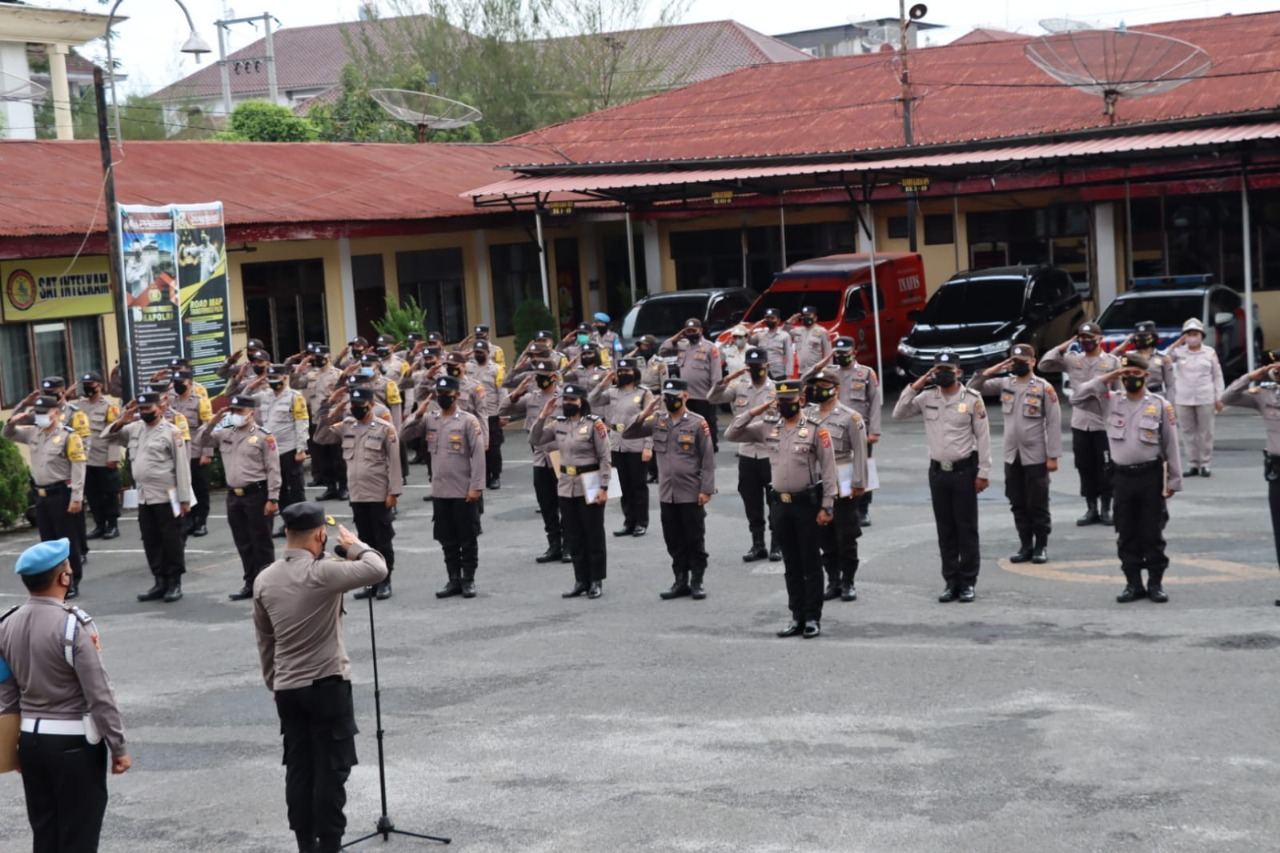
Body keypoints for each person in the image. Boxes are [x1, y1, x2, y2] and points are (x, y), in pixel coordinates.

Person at [253, 504, 388, 853]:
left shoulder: (264, 579)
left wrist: (273, 682)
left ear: (286, 534)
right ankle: (329, 843)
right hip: (327, 685)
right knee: (331, 770)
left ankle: (304, 842)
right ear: (319, 534)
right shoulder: (323, 572)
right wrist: (355, 545)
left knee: (299, 768)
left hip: (287, 689)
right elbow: (377, 568)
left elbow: (265, 641)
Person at [0, 539, 131, 853]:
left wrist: (11, 747)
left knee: (45, 832)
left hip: (30, 741)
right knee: (79, 836)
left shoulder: (7, 624)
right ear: (63, 578)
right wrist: (119, 746)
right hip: (73, 744)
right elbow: (99, 694)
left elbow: (6, 694)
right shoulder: (73, 627)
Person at [726, 380, 836, 638]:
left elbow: (830, 471)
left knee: (810, 563)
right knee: (791, 565)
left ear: (799, 400)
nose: (783, 405)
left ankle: (812, 617)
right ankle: (796, 615)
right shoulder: (767, 428)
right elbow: (731, 434)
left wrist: (827, 506)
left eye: (788, 400)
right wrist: (755, 410)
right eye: (780, 401)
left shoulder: (815, 430)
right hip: (780, 506)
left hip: (806, 506)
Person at [1074, 354, 1182, 603]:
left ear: (1146, 375)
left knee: (1151, 532)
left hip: (1150, 476)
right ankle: (1133, 584)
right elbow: (1078, 398)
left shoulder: (1160, 404)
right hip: (1121, 477)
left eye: (1135, 374)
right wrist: (1105, 378)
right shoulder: (1110, 401)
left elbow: (1171, 445)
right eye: (1126, 374)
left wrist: (1174, 480)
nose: (1130, 379)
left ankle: (1155, 584)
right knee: (1126, 532)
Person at [893, 351, 993, 603]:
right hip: (938, 472)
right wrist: (918, 382)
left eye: (948, 369)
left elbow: (983, 437)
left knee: (966, 529)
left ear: (958, 372)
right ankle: (951, 582)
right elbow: (898, 413)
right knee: (945, 530)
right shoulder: (928, 397)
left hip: (964, 471)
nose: (943, 373)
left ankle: (968, 582)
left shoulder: (972, 399)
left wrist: (984, 471)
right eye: (938, 369)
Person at [623, 378, 715, 599]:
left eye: (675, 396)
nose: (670, 400)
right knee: (673, 539)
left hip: (691, 491)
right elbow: (628, 433)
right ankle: (680, 580)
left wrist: (706, 489)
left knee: (694, 538)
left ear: (685, 397)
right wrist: (644, 413)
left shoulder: (697, 422)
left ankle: (697, 581)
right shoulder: (657, 420)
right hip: (667, 493)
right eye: (667, 397)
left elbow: (708, 458)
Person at [969, 345, 1062, 564]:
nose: (1018, 364)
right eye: (1014, 360)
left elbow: (1054, 422)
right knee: (1017, 501)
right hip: (1012, 455)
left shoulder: (1043, 387)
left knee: (1037, 502)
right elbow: (972, 388)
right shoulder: (1005, 383)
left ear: (1033, 361)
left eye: (1023, 360)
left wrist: (1053, 455)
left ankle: (1041, 546)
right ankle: (1025, 545)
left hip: (1036, 455)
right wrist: (994, 369)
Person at [101, 392, 191, 603]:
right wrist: (122, 420)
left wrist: (184, 499)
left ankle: (174, 582)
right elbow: (107, 436)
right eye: (141, 410)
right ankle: (159, 581)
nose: (144, 413)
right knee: (151, 540)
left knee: (172, 540)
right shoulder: (134, 428)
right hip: (144, 496)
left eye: (148, 409)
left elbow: (182, 467)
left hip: (167, 495)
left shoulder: (172, 431)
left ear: (159, 408)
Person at [313, 387, 401, 600]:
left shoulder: (384, 428)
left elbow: (395, 463)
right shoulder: (347, 425)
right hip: (357, 494)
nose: (356, 409)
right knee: (363, 541)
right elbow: (321, 437)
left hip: (378, 493)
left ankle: (384, 581)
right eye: (353, 406)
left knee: (382, 539)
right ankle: (369, 582)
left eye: (360, 406)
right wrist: (332, 413)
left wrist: (394, 492)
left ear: (371, 405)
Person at [402, 376, 486, 599]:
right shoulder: (430, 419)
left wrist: (476, 487)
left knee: (467, 538)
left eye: (447, 394)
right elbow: (404, 435)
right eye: (439, 394)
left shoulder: (468, 421)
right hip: (440, 491)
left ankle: (468, 579)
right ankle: (453, 579)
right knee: (447, 539)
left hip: (463, 490)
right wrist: (417, 414)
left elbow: (478, 456)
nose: (443, 398)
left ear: (457, 395)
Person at [194, 395, 283, 601]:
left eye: (240, 412)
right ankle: (250, 582)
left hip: (257, 494)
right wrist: (212, 421)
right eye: (233, 411)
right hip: (234, 496)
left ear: (251, 413)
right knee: (243, 542)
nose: (235, 415)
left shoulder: (264, 437)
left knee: (261, 542)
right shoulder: (225, 433)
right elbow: (200, 440)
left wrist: (273, 498)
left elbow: (273, 469)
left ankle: (268, 585)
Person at [530, 383, 612, 599]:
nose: (567, 404)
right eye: (565, 400)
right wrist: (543, 415)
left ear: (581, 402)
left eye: (572, 400)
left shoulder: (595, 424)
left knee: (593, 534)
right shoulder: (558, 424)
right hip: (566, 483)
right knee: (574, 535)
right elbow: (535, 440)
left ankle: (596, 580)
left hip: (591, 480)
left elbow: (604, 457)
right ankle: (580, 580)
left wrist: (605, 487)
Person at [3, 395, 87, 598]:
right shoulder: (34, 433)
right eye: (37, 413)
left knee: (67, 542)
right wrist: (13, 420)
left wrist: (76, 497)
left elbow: (78, 467)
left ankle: (72, 581)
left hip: (61, 493)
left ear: (56, 412)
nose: (40, 417)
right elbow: (7, 434)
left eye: (44, 413)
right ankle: (53, 582)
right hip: (41, 495)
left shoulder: (69, 436)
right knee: (47, 543)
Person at [1040, 322, 1121, 526]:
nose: (1086, 343)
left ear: (1099, 339)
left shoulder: (1112, 362)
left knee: (1105, 467)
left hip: (1103, 422)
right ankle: (1090, 507)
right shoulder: (1072, 360)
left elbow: (1120, 393)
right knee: (1084, 466)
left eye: (1090, 339)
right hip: (1080, 422)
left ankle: (1105, 508)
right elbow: (1044, 364)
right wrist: (1067, 343)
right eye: (1082, 339)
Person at [709, 347, 780, 562]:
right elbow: (712, 398)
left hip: (770, 452)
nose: (756, 370)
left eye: (759, 366)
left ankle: (777, 545)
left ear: (767, 365)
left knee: (775, 501)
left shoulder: (776, 389)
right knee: (752, 501)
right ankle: (757, 544)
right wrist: (728, 378)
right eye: (751, 367)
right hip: (747, 453)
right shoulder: (739, 387)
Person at [1221, 352, 1280, 604]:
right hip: (1277, 469)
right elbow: (1227, 398)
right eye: (1275, 365)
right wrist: (1250, 376)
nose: (1277, 369)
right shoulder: (1265, 394)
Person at [805, 369, 869, 603]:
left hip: (843, 481)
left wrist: (860, 483)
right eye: (815, 385)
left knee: (845, 534)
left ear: (836, 389)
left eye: (823, 385)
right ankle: (833, 580)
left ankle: (848, 581)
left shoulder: (850, 417)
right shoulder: (808, 415)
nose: (818, 389)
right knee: (824, 535)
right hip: (816, 482)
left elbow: (861, 451)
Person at [500, 359, 566, 563]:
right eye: (537, 376)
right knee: (547, 505)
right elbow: (503, 410)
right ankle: (554, 545)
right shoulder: (531, 398)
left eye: (543, 376)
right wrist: (517, 393)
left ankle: (570, 545)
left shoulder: (565, 397)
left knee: (567, 504)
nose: (539, 380)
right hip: (540, 458)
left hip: (561, 456)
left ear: (553, 377)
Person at [589, 358, 653, 537]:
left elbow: (649, 421)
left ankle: (641, 522)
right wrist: (602, 383)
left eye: (627, 371)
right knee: (623, 485)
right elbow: (592, 400)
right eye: (621, 371)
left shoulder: (643, 393)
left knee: (638, 486)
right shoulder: (611, 392)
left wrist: (648, 446)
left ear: (635, 373)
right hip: (616, 443)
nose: (624, 374)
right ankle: (629, 521)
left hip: (637, 443)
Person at [830, 336, 882, 526]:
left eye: (845, 352)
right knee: (837, 469)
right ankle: (843, 506)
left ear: (854, 353)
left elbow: (875, 402)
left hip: (861, 429)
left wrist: (874, 431)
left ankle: (863, 509)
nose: (841, 356)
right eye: (838, 353)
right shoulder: (831, 373)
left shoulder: (866, 373)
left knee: (863, 468)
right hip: (836, 430)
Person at [253, 364, 311, 532]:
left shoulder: (295, 396)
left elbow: (302, 422)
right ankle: (288, 523)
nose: (272, 381)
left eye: (276, 377)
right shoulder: (265, 396)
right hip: (271, 451)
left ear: (285, 377)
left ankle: (303, 524)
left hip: (289, 448)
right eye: (270, 378)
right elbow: (241, 399)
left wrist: (301, 448)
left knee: (296, 488)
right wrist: (253, 385)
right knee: (281, 489)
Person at [1167, 317, 1225, 476]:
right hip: (1183, 398)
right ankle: (1192, 463)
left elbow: (1217, 376)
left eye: (1196, 333)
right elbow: (1162, 359)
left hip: (1205, 397)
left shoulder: (1209, 352)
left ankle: (1205, 464)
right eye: (1189, 334)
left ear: (1202, 335)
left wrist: (1220, 397)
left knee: (1205, 432)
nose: (1193, 336)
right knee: (1188, 433)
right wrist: (1175, 344)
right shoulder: (1178, 352)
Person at [660, 318, 722, 452]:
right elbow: (663, 349)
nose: (690, 333)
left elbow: (716, 374)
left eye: (693, 331)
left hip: (704, 395)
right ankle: (689, 446)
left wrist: (715, 393)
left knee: (707, 423)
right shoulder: (682, 344)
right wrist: (679, 335)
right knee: (687, 422)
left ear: (701, 331)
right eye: (688, 331)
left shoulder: (710, 347)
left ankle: (710, 447)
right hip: (686, 395)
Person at [292, 345, 345, 500]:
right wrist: (299, 370)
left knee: (338, 456)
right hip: (317, 420)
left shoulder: (338, 374)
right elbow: (295, 385)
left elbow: (345, 395)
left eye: (322, 356)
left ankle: (343, 487)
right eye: (316, 356)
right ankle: (330, 487)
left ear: (328, 356)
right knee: (323, 458)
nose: (319, 359)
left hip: (334, 419)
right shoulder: (311, 375)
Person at [168, 368, 214, 537]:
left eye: (181, 382)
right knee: (184, 488)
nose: (177, 385)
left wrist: (207, 452)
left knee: (199, 488)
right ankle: (188, 520)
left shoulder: (200, 401)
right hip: (178, 452)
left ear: (190, 382)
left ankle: (201, 522)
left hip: (196, 450)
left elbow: (208, 427)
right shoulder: (171, 402)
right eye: (175, 382)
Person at [78, 371, 123, 541]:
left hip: (104, 458)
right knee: (93, 494)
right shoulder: (81, 406)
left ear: (100, 386)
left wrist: (113, 457)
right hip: (85, 458)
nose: (88, 388)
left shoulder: (109, 407)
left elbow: (115, 433)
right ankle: (99, 525)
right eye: (86, 385)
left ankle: (112, 525)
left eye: (91, 385)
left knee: (109, 493)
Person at [466, 339, 506, 489]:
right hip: (473, 413)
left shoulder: (496, 369)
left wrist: (504, 414)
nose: (478, 355)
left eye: (481, 353)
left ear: (488, 353)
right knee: (476, 447)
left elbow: (502, 392)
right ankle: (483, 476)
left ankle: (495, 475)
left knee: (493, 447)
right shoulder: (468, 367)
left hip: (492, 413)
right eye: (476, 352)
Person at [1116, 320, 1176, 400]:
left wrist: (1169, 405)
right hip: (1134, 397)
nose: (1141, 339)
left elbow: (1170, 385)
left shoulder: (1163, 358)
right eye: (1138, 336)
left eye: (1145, 336)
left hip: (1156, 397)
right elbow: (1110, 360)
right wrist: (1125, 344)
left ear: (1153, 337)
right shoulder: (1129, 356)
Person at [789, 304, 832, 375]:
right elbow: (782, 334)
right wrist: (789, 322)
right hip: (801, 371)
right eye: (804, 316)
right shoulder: (797, 331)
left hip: (816, 370)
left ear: (815, 318)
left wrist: (828, 371)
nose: (806, 317)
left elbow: (828, 353)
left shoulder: (822, 331)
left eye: (808, 315)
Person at [751, 308, 792, 380]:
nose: (769, 320)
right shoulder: (760, 334)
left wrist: (788, 375)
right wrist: (753, 327)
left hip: (778, 372)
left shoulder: (784, 335)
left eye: (772, 318)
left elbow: (789, 356)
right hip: (762, 372)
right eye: (767, 318)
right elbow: (747, 340)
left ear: (778, 320)